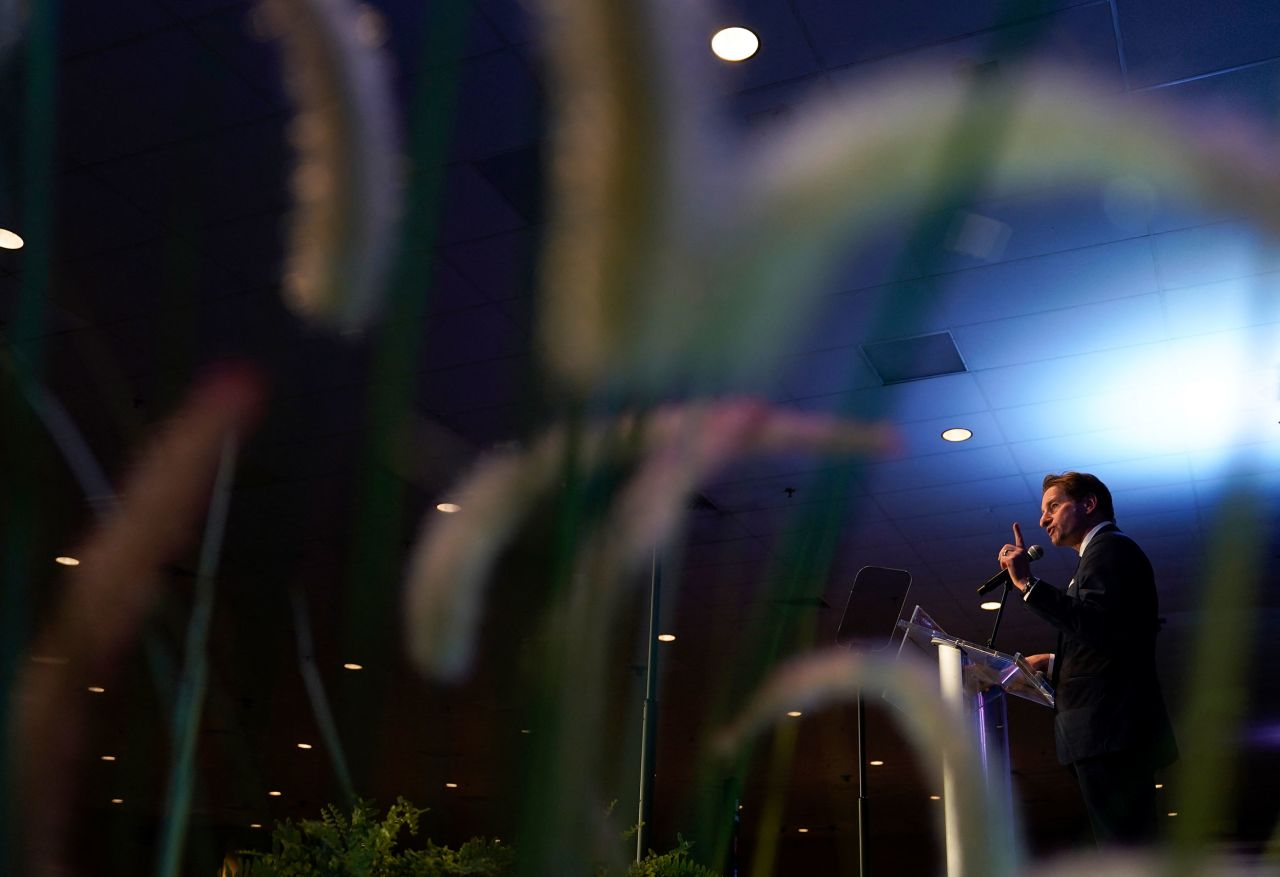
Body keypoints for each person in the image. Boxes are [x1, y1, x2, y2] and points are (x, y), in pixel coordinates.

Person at [997, 471, 1177, 846]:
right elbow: (1108, 635)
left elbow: (1096, 625)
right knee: (1126, 851)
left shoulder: (1110, 549)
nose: (1042, 519)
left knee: (1126, 854)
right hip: (1109, 734)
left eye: (1053, 506)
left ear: (1088, 504)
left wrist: (1027, 585)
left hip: (1111, 733)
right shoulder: (1099, 554)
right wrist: (1054, 660)